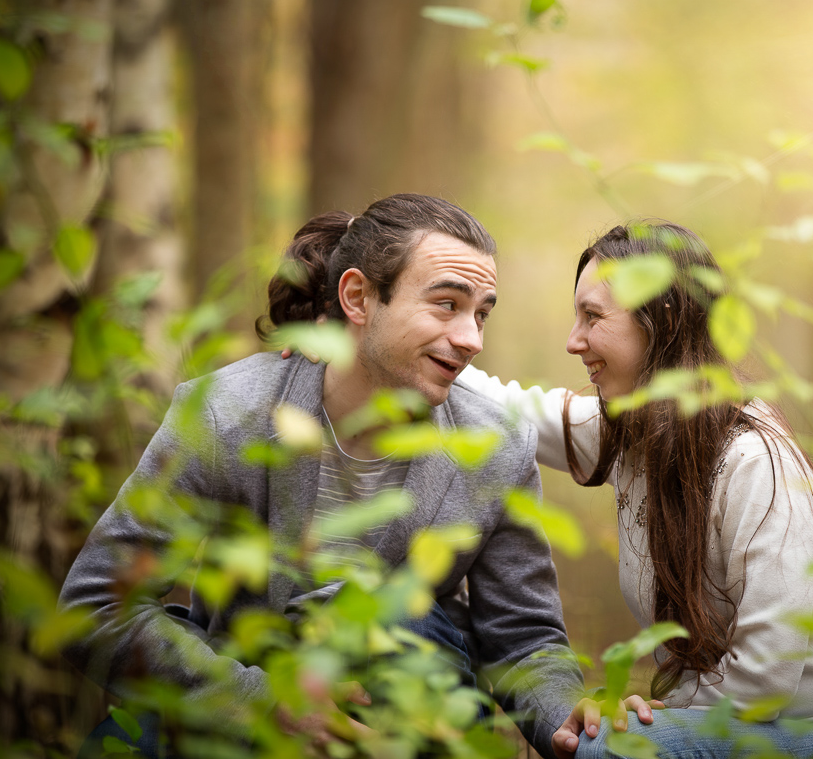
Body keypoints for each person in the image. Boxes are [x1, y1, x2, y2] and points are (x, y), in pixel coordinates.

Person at [59, 193, 584, 758]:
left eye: (481, 313)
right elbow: (98, 607)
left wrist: (564, 715)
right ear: (358, 297)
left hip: (405, 721)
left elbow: (524, 639)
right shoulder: (226, 413)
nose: (471, 339)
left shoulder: (496, 447)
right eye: (446, 304)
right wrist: (264, 705)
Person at [457, 220, 813, 758]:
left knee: (607, 750)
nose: (573, 340)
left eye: (593, 316)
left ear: (661, 323)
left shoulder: (754, 459)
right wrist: (393, 327)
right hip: (739, 728)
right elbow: (507, 408)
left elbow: (767, 677)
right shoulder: (633, 434)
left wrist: (658, 716)